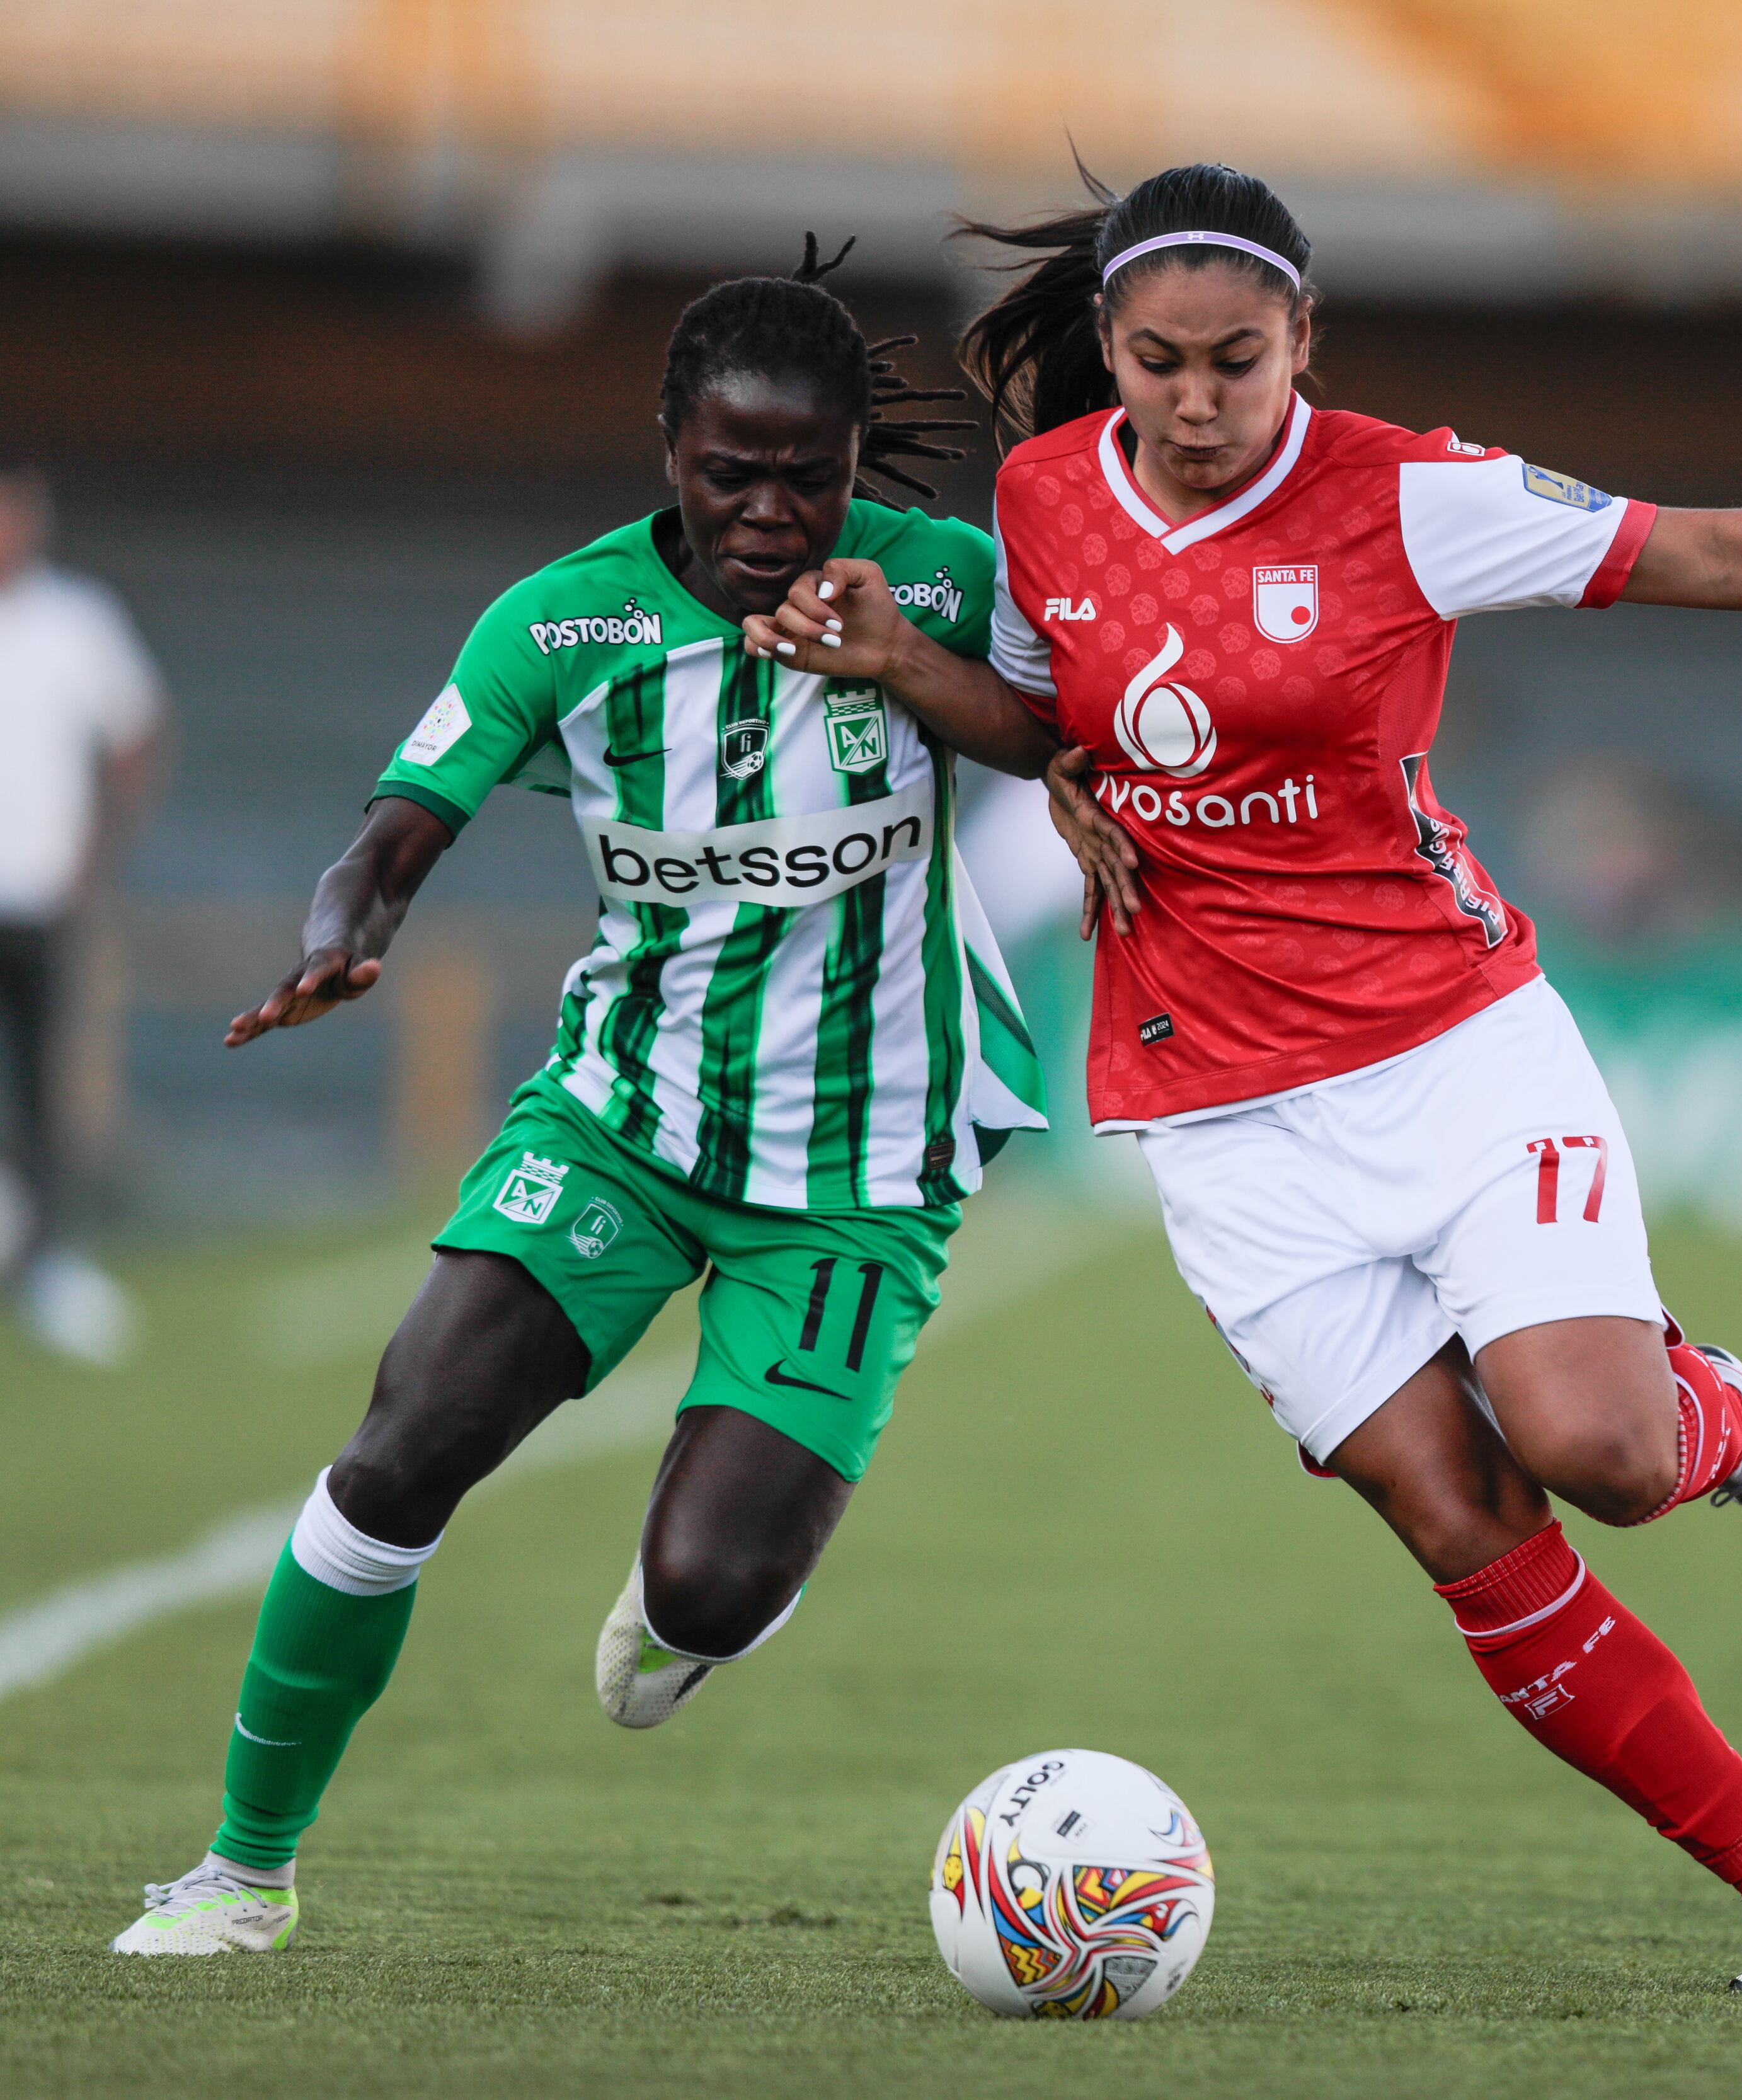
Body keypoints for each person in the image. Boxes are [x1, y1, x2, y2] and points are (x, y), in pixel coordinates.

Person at [745, 164, 1742, 1994]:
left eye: (1240, 364)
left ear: (1307, 344)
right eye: (1160, 362)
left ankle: (1722, 1420)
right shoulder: (1045, 497)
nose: (1197, 404)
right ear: (1106, 344)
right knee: (1461, 1522)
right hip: (1215, 1111)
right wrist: (929, 684)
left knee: (1602, 1448)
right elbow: (1046, 718)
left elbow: (1698, 548)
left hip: (1454, 1053)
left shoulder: (1406, 495)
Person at [111, 242, 1125, 1956]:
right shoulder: (560, 622)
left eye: (813, 476)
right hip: (623, 1122)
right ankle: (239, 1867)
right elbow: (393, 830)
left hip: (867, 1164)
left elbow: (1062, 730)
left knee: (711, 1587)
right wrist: (337, 936)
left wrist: (937, 686)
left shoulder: (941, 584)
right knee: (397, 1450)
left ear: (860, 465)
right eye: (734, 471)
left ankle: (701, 1595)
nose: (772, 511)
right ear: (668, 442)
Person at [0, 459, 166, 1363]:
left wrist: (94, 856)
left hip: (37, 894)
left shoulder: (75, 622)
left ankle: (51, 1260)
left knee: (42, 1084)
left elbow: (138, 733)